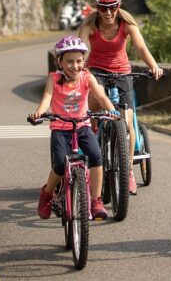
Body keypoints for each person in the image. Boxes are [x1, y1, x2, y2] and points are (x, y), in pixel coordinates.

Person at [81, 0, 164, 194]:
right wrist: (78, 68)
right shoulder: (90, 25)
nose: (108, 12)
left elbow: (142, 48)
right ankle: (94, 132)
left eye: (112, 7)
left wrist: (153, 66)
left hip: (122, 71)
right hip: (97, 70)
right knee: (93, 99)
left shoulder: (126, 23)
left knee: (127, 123)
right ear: (96, 7)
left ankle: (127, 172)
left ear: (118, 5)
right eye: (103, 7)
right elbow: (81, 49)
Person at [30, 35, 118, 220]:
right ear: (59, 61)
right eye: (69, 61)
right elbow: (46, 98)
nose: (75, 66)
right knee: (61, 165)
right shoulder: (53, 78)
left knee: (96, 157)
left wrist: (111, 110)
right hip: (60, 128)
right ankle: (47, 193)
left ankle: (96, 201)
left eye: (79, 61)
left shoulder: (87, 77)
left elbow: (101, 97)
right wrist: (39, 112)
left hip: (83, 126)